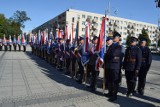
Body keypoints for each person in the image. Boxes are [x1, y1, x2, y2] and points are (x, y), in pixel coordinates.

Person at [104, 32, 122, 101]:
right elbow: (108, 55)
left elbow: (114, 54)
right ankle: (110, 92)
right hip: (109, 66)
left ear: (118, 39)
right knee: (109, 80)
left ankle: (114, 96)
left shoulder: (118, 46)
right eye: (114, 37)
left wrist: (108, 55)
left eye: (116, 37)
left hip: (115, 66)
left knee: (115, 82)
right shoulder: (111, 46)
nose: (114, 38)